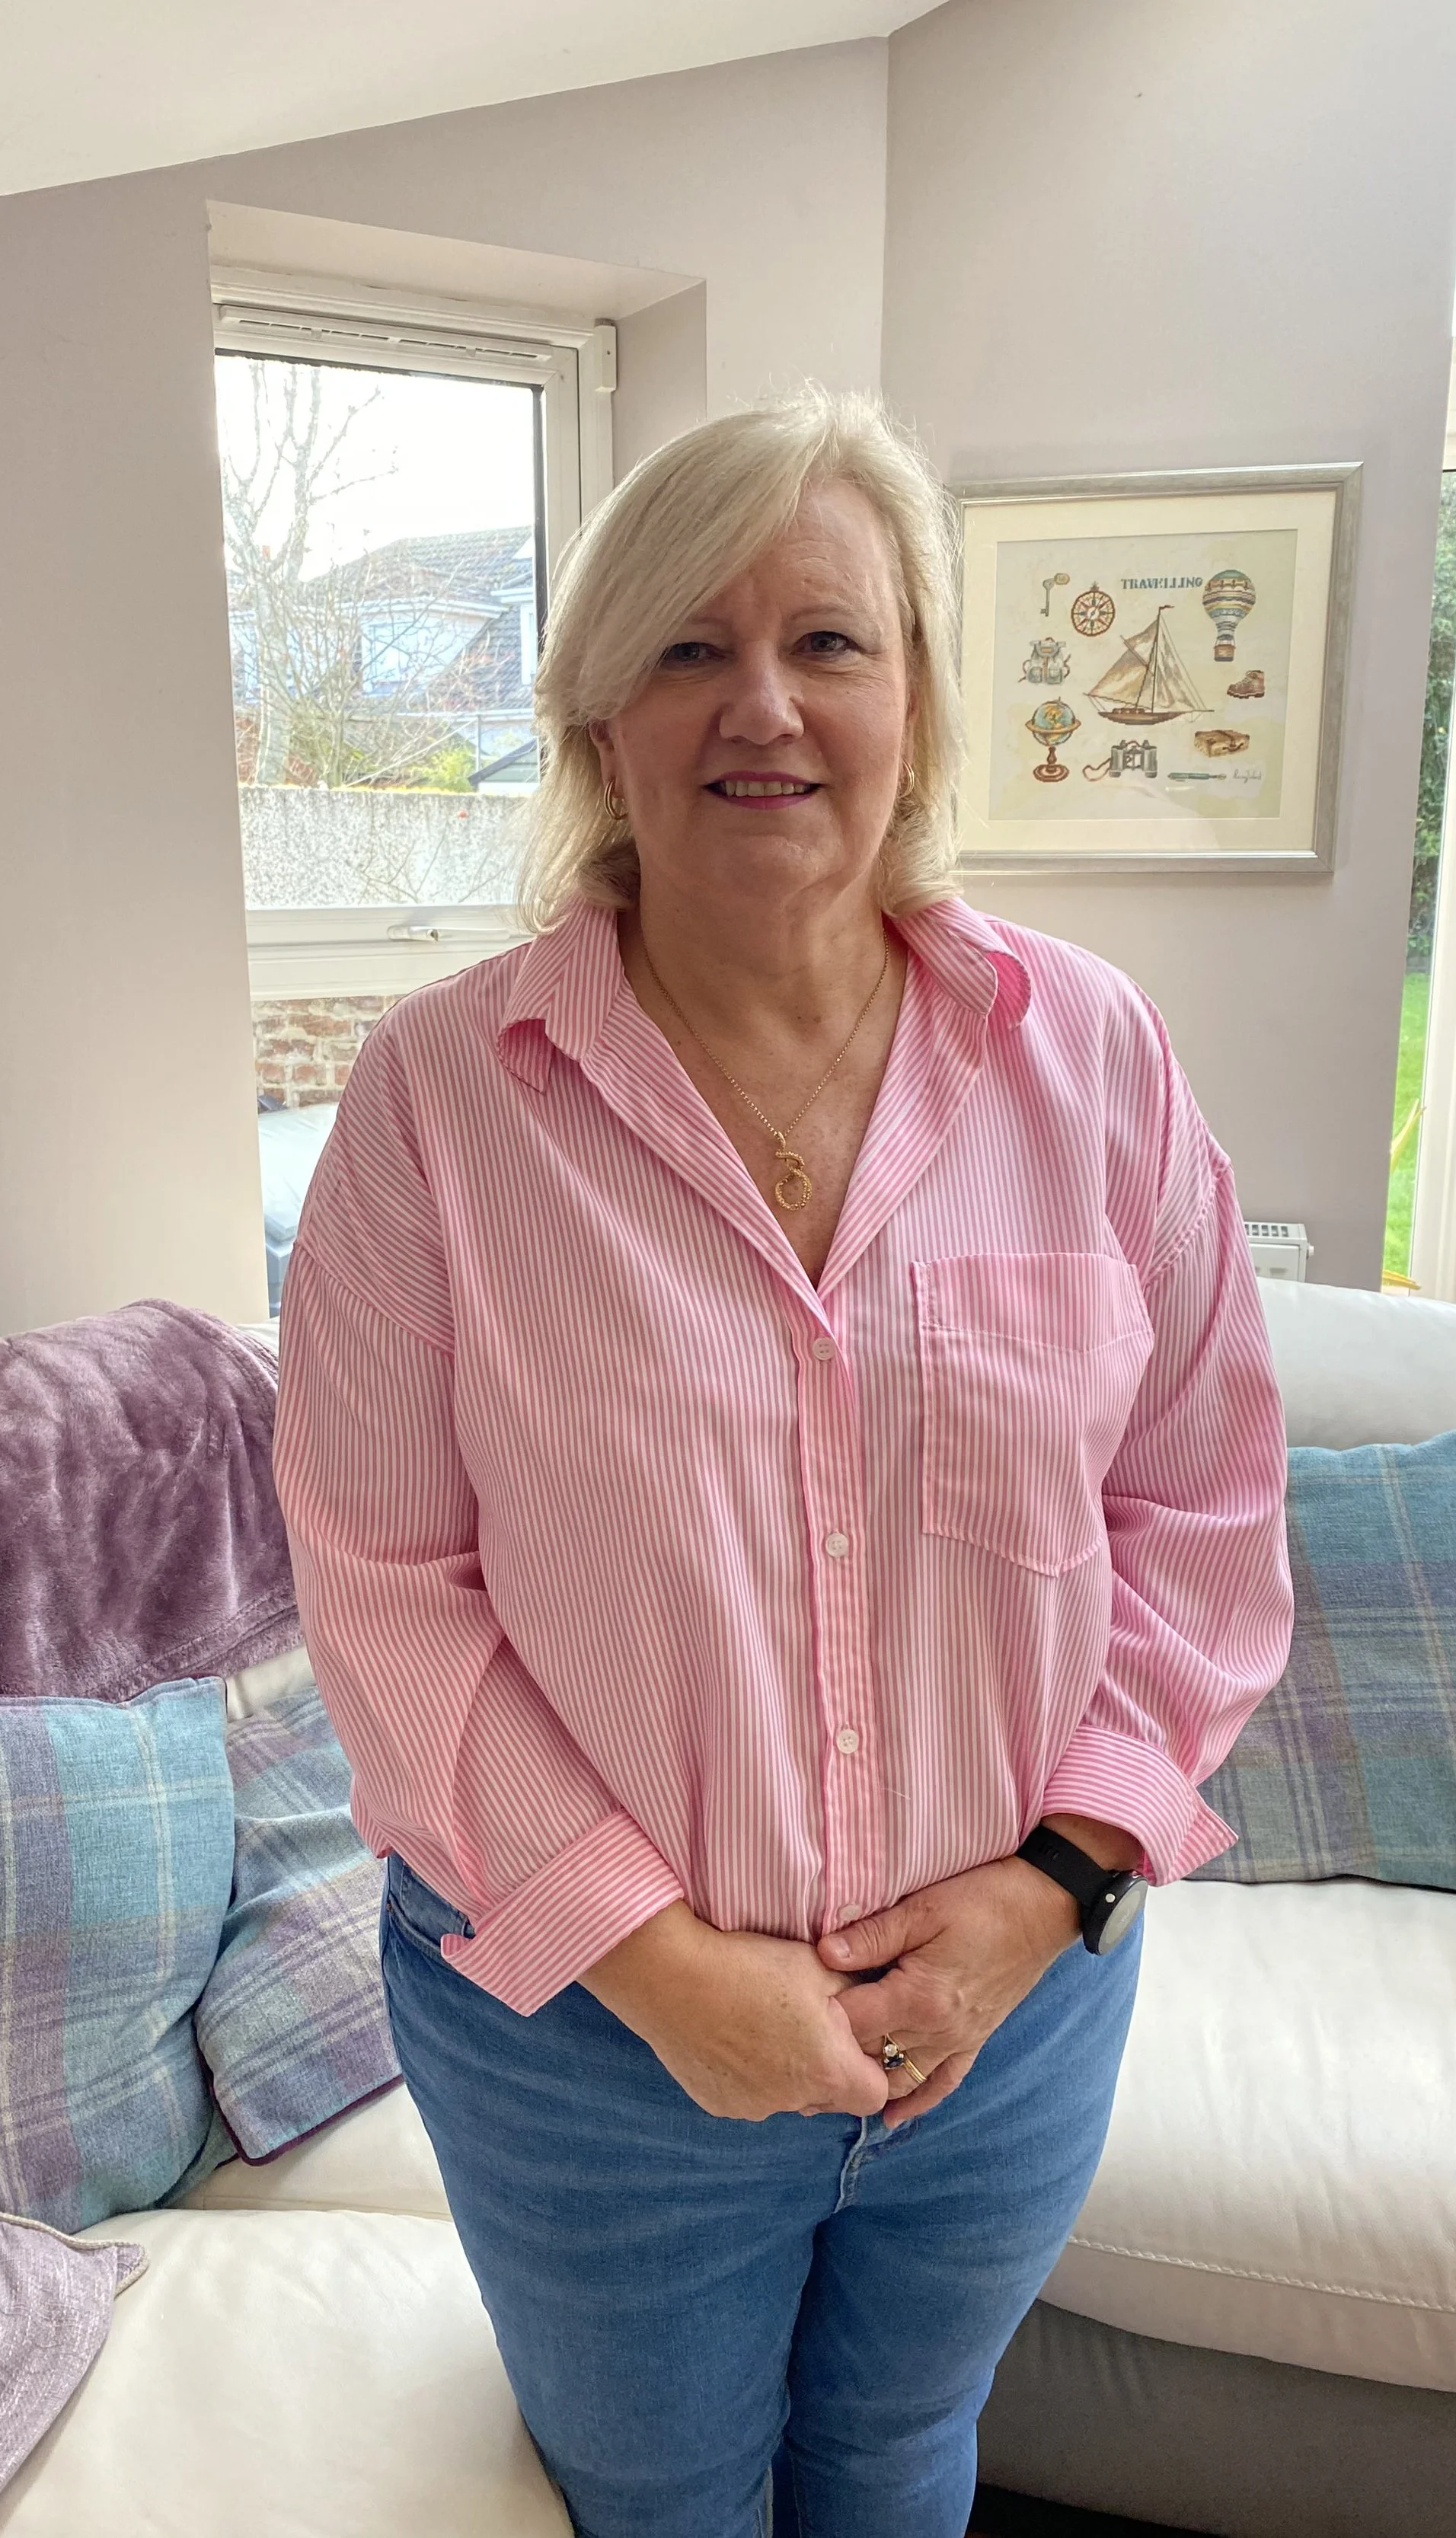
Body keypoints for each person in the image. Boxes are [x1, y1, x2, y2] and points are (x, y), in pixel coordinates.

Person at [273, 391, 1294, 2538]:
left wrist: (1054, 1890)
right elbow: (379, 1587)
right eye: (685, 646)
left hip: (1003, 2023)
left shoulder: (1088, 1051)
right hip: (589, 2059)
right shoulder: (440, 1096)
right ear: (594, 722)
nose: (764, 704)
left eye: (829, 641)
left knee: (906, 2463)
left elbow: (1199, 1504)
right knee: (657, 2503)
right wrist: (667, 1971)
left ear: (916, 695)